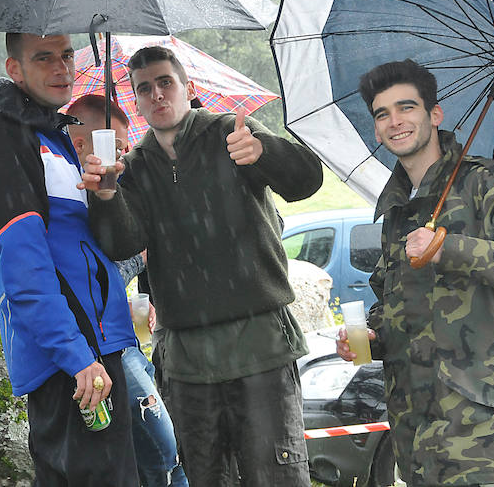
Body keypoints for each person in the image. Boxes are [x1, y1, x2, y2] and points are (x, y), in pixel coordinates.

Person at [78, 46, 323, 486]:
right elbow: (121, 244)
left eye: (165, 82)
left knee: (277, 477)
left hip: (260, 345)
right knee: (207, 478)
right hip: (188, 359)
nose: (157, 95)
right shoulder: (132, 168)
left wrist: (263, 150)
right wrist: (108, 195)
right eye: (144, 89)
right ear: (135, 101)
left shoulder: (232, 133)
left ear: (188, 88)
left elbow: (307, 180)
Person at [336, 59, 494, 487]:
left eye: (406, 108)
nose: (395, 122)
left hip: (481, 435)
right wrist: (373, 337)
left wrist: (450, 248)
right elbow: (397, 304)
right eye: (382, 114)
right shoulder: (397, 209)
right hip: (413, 438)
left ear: (434, 115)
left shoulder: (486, 185)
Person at [0, 33, 138, 486]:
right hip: (69, 358)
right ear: (15, 69)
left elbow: (102, 247)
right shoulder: (1, 140)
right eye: (44, 58)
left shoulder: (54, 135)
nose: (62, 68)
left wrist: (105, 194)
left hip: (100, 343)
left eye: (66, 55)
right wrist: (75, 355)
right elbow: (25, 268)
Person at [66, 93, 190, 487]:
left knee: (151, 458)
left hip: (123, 340)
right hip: (101, 351)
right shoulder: (66, 193)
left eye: (122, 146)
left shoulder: (110, 186)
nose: (120, 156)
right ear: (83, 143)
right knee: (165, 455)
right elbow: (97, 277)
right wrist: (140, 254)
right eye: (114, 146)